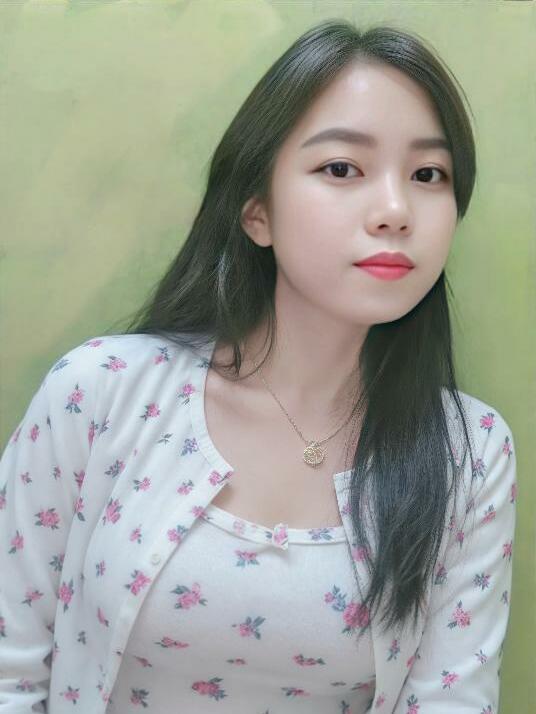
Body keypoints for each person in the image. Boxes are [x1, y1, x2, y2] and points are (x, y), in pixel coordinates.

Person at [0, 19, 517, 714]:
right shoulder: (100, 392)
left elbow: (453, 700)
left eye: (429, 175)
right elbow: (9, 671)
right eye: (342, 169)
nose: (396, 211)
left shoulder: (470, 455)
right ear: (256, 212)